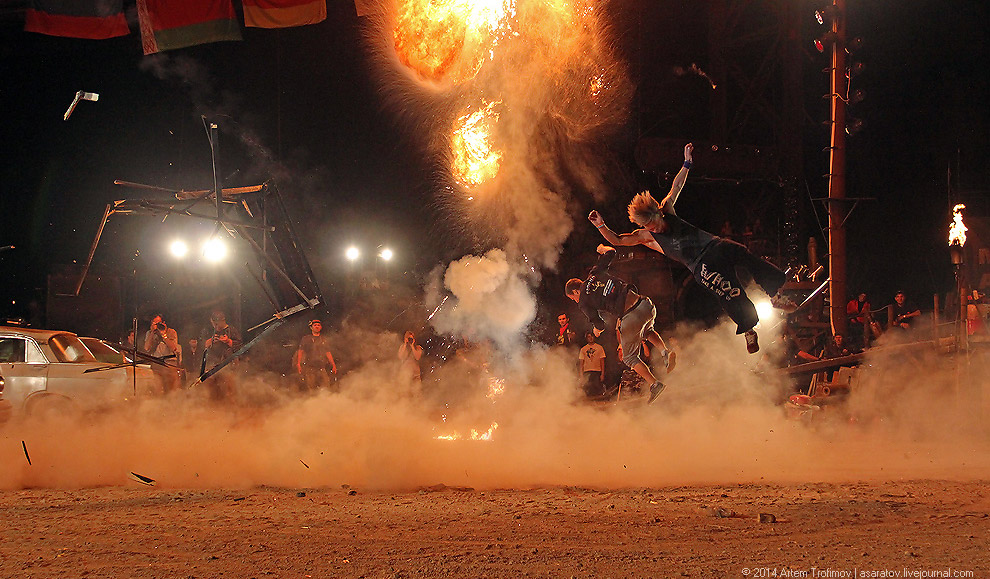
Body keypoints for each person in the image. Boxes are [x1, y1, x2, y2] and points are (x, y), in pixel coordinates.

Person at [589, 142, 793, 355]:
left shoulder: (667, 208)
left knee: (743, 253)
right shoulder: (645, 236)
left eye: (655, 222)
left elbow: (676, 186)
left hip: (714, 245)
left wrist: (687, 162)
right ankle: (749, 329)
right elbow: (618, 240)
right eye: (649, 227)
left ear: (658, 212)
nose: (655, 228)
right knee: (728, 290)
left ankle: (774, 295)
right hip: (700, 266)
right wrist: (601, 225)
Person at [565, 244, 676, 404]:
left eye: (573, 298)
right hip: (645, 304)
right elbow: (611, 252)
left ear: (575, 292)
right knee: (647, 330)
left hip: (630, 316)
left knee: (629, 358)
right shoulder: (594, 274)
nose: (575, 301)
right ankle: (665, 352)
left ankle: (654, 384)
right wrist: (601, 248)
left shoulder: (583, 301)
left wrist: (596, 331)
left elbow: (600, 324)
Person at [203, 311, 241, 400]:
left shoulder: (232, 330)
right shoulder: (210, 331)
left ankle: (230, 411)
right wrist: (209, 341)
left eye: (216, 324)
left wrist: (228, 341)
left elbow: (240, 346)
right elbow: (204, 346)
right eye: (213, 324)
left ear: (222, 321)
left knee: (229, 389)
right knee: (213, 389)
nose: (215, 326)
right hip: (213, 364)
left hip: (229, 364)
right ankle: (214, 410)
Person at [143, 313, 181, 393]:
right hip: (156, 365)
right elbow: (146, 348)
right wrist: (152, 333)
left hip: (169, 365)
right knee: (157, 391)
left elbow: (174, 348)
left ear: (163, 323)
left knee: (171, 392)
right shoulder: (150, 333)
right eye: (155, 323)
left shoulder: (171, 332)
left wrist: (164, 335)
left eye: (159, 323)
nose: (157, 325)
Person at [296, 319, 337, 392]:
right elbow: (300, 351)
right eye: (315, 325)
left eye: (318, 325)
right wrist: (298, 364)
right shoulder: (306, 339)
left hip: (321, 367)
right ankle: (312, 401)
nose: (317, 327)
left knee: (326, 385)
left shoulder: (323, 339)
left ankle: (326, 400)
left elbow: (328, 352)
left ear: (321, 327)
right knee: (311, 386)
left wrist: (333, 364)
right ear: (311, 327)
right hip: (310, 367)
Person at [578, 331, 606, 398]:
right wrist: (581, 375)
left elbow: (602, 362)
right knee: (588, 389)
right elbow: (581, 363)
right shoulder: (583, 349)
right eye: (588, 337)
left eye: (592, 336)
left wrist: (602, 374)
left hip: (597, 371)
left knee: (597, 389)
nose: (590, 338)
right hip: (587, 371)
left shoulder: (599, 348)